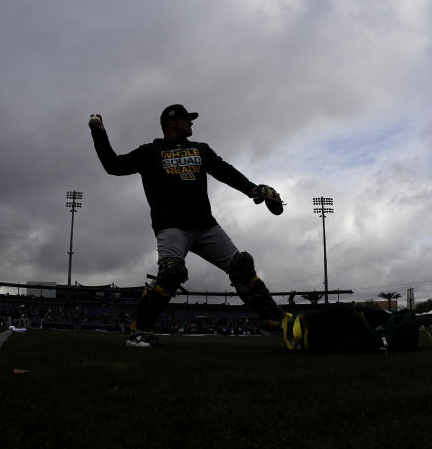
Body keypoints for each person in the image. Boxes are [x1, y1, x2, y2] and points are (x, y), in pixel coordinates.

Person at [89, 104, 286, 348]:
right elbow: (113, 166)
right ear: (171, 122)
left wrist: (252, 189)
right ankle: (139, 331)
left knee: (242, 266)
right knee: (171, 273)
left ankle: (274, 321)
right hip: (171, 226)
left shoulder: (200, 149)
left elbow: (224, 171)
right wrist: (99, 132)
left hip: (205, 225)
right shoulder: (150, 152)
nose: (191, 123)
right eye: (186, 119)